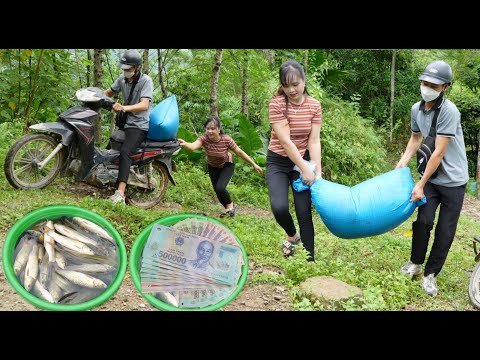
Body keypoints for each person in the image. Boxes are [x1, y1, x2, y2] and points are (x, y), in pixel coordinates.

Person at [396, 60, 469, 296]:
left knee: (445, 231)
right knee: (423, 221)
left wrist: (420, 184)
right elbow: (415, 140)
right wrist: (401, 164)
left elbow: (438, 152)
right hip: (432, 179)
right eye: (425, 82)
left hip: (454, 181)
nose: (427, 87)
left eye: (433, 85)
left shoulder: (449, 111)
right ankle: (415, 264)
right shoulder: (416, 109)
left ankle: (430, 275)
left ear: (445, 87)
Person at [266, 59, 322, 262]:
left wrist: (317, 171)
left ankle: (309, 260)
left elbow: (314, 141)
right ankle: (292, 235)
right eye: (286, 85)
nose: (291, 89)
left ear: (304, 80)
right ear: (281, 85)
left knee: (304, 212)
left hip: (304, 162)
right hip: (279, 161)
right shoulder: (277, 104)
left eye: (296, 84)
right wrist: (304, 168)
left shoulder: (314, 105)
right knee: (279, 207)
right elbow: (286, 142)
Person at [178, 116, 263, 217]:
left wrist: (254, 164)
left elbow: (239, 152)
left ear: (218, 129)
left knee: (220, 188)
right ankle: (229, 211)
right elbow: (192, 146)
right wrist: (184, 143)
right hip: (212, 166)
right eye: (208, 128)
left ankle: (231, 207)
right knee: (218, 191)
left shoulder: (226, 140)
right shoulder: (204, 139)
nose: (210, 131)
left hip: (227, 165)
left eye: (213, 129)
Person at [104, 49, 154, 205]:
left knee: (125, 152)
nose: (125, 71)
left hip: (139, 125)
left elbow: (145, 104)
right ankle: (106, 178)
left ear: (136, 67)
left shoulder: (146, 81)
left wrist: (124, 108)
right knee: (110, 145)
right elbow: (108, 93)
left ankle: (120, 193)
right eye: (123, 68)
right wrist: (93, 96)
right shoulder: (122, 79)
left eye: (128, 69)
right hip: (126, 124)